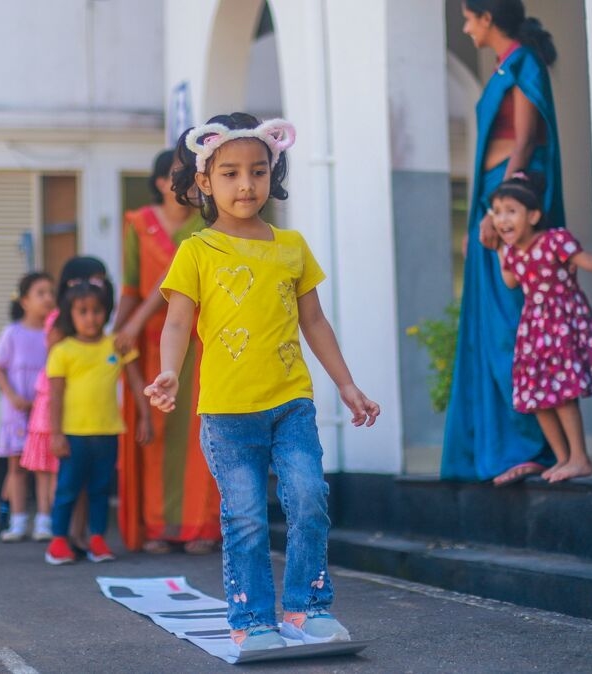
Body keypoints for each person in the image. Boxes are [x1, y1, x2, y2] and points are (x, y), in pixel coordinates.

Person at [144, 113, 380, 655]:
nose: (245, 184)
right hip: (226, 412)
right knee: (246, 517)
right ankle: (252, 621)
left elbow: (314, 322)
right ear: (204, 181)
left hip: (291, 402)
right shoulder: (197, 251)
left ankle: (307, 609)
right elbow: (178, 321)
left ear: (273, 172)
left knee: (309, 498)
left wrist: (346, 385)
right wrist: (169, 371)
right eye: (229, 173)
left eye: (257, 170)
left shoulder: (290, 246)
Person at [443, 0, 566, 485]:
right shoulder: (503, 65)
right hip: (493, 195)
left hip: (507, 197)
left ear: (487, 18)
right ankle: (501, 443)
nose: (467, 27)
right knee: (489, 322)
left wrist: (500, 205)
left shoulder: (523, 63)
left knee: (510, 323)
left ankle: (530, 444)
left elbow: (527, 139)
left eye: (469, 18)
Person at [114, 148, 220, 555]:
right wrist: (118, 332)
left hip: (195, 340)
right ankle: (157, 527)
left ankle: (200, 528)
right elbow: (129, 286)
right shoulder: (137, 224)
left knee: (199, 435)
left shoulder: (207, 225)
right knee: (153, 433)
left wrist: (134, 321)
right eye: (179, 173)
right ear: (160, 182)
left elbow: (175, 283)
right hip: (150, 345)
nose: (189, 180)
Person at [491, 174, 592, 482]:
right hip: (534, 330)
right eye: (497, 211)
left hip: (561, 323)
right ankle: (563, 458)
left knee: (562, 393)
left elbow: (587, 261)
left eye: (511, 210)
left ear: (534, 215)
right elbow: (511, 281)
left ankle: (580, 457)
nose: (502, 218)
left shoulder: (555, 240)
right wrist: (500, 249)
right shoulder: (512, 252)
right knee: (536, 395)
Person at [44, 280, 152, 565]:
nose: (90, 317)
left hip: (107, 432)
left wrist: (146, 417)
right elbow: (54, 396)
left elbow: (136, 381)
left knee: (101, 489)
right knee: (67, 488)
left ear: (106, 313)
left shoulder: (117, 345)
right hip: (73, 434)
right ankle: (57, 542)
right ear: (71, 314)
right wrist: (55, 434)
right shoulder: (62, 351)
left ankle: (97, 540)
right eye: (83, 311)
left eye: (96, 310)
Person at [20, 256, 114, 552]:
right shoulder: (61, 324)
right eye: (91, 280)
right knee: (66, 478)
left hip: (93, 419)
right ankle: (56, 529)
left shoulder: (101, 330)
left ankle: (79, 534)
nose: (95, 287)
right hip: (60, 405)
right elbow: (55, 364)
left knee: (90, 485)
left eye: (101, 281)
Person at [0, 272, 56, 542]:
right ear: (24, 301)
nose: (48, 298)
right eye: (40, 293)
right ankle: (18, 523)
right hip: (17, 411)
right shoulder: (12, 333)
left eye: (51, 292)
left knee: (44, 467)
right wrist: (13, 397)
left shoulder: (54, 334)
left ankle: (45, 521)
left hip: (44, 412)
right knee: (17, 468)